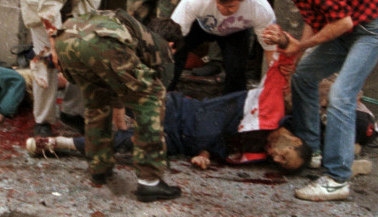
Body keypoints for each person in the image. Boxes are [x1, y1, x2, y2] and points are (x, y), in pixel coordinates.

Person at [257, 0, 378, 202]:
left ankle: (337, 179)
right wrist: (298, 56)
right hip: (348, 29)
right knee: (303, 77)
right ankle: (314, 149)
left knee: (341, 95)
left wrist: (301, 46)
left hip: (371, 28)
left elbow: (342, 23)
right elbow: (314, 19)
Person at [29, 52, 311, 172]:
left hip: (180, 142)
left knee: (126, 142)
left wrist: (204, 155)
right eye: (283, 156)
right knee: (116, 92)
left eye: (278, 163)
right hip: (181, 111)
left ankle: (58, 145)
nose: (275, 157)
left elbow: (221, 146)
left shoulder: (258, 152)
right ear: (295, 140)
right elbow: (280, 71)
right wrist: (285, 47)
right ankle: (46, 71)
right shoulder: (270, 111)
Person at [52, 9, 183, 202]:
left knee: (97, 100)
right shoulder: (161, 46)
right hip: (101, 40)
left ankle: (99, 167)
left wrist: (121, 126)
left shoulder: (133, 31)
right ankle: (150, 181)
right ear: (172, 45)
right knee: (152, 97)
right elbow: (154, 93)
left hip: (66, 37)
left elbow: (118, 86)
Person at [19, 0, 119, 137]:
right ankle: (43, 119)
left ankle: (73, 112)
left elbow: (90, 2)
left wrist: (76, 36)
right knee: (46, 55)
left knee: (82, 50)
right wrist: (56, 45)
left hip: (73, 0)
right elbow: (49, 2)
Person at [170, 0, 276, 94]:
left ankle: (232, 105)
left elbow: (270, 51)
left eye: (230, 6)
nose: (222, 9)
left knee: (236, 69)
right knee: (176, 54)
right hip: (200, 25)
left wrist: (276, 82)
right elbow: (172, 37)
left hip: (235, 31)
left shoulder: (260, 9)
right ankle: (167, 92)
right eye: (218, 2)